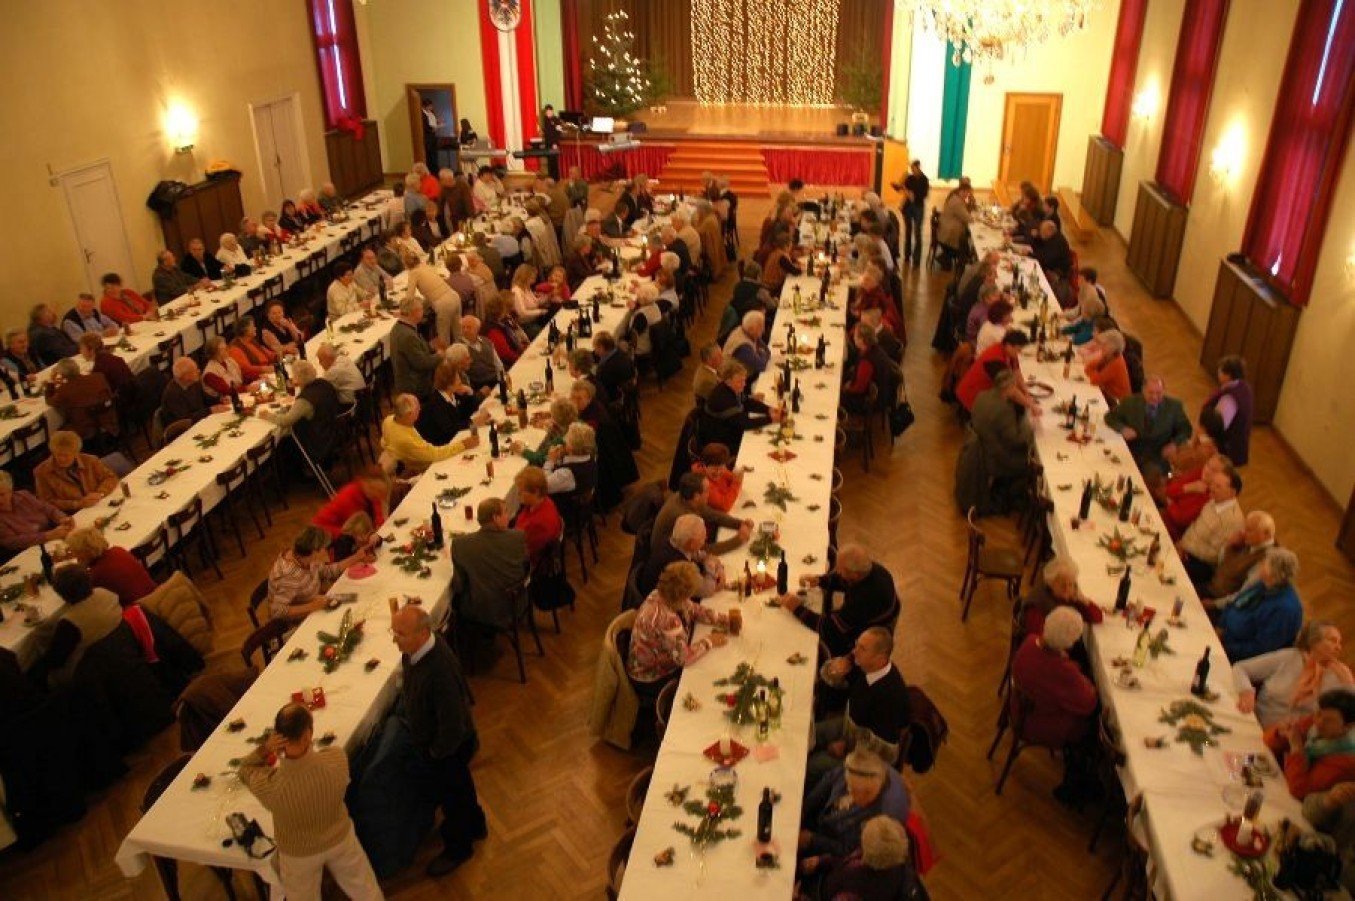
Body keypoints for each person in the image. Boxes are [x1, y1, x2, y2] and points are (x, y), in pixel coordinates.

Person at [237, 703, 383, 901]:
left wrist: (266, 749)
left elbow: (245, 768)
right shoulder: (336, 760)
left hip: (298, 855)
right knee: (366, 891)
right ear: (308, 734)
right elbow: (326, 755)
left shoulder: (271, 787)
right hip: (340, 838)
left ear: (278, 738)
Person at [391, 604, 486, 876]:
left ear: (422, 634)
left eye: (401, 633)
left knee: (453, 798)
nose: (394, 638)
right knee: (462, 789)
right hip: (442, 742)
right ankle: (476, 824)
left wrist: (436, 753)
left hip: (448, 747)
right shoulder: (416, 652)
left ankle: (459, 848)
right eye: (394, 631)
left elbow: (452, 724)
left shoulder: (438, 669)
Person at [1011, 606, 1100, 805]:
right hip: (1038, 724)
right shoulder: (1062, 671)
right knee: (1095, 725)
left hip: (1018, 708)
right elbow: (1089, 704)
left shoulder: (1029, 641)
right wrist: (1084, 680)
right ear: (1068, 642)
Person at [810, 627, 911, 783]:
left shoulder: (890, 697)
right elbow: (827, 676)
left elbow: (883, 753)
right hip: (849, 727)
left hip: (863, 760)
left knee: (811, 766)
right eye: (857, 644)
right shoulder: (864, 664)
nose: (854, 651)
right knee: (806, 732)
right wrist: (836, 671)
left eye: (862, 648)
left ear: (880, 658)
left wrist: (847, 750)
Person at [776, 544, 900, 658]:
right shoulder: (870, 570)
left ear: (855, 574)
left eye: (840, 569)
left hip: (864, 636)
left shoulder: (864, 599)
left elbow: (829, 630)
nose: (837, 571)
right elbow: (843, 579)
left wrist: (797, 609)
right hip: (863, 619)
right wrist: (820, 580)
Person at [626, 561, 728, 690]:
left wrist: (721, 619)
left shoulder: (661, 594)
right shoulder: (666, 619)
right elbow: (684, 658)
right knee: (705, 678)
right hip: (649, 676)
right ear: (683, 594)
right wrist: (710, 641)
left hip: (657, 658)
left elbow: (693, 609)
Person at [1234, 621, 1353, 728]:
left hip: (1288, 741)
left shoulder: (1337, 675)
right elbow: (1240, 668)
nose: (1339, 647)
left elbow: (1350, 714)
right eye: (1333, 640)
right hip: (1254, 722)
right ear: (1313, 641)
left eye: (1339, 643)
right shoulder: (1288, 657)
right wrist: (1246, 691)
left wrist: (1349, 684)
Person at [801, 749, 910, 859]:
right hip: (822, 819)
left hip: (830, 847)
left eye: (852, 790)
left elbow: (849, 851)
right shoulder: (860, 768)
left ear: (868, 793)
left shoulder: (877, 822)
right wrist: (804, 808)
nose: (847, 791)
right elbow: (829, 779)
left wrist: (812, 840)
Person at [32, 565, 124, 685]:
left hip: (85, 672)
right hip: (119, 651)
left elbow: (55, 660)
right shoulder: (106, 594)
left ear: (61, 594)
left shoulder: (70, 623)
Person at [808, 815, 928, 901]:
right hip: (827, 878)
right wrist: (821, 861)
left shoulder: (857, 891)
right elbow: (846, 859)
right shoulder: (893, 861)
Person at [450, 497, 529, 629]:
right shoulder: (518, 537)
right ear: (495, 518)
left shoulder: (460, 545)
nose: (508, 516)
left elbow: (458, 586)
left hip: (482, 610)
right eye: (505, 512)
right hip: (515, 604)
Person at [1218, 548, 1305, 662]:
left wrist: (1227, 648)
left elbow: (1262, 648)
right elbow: (1235, 603)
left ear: (1274, 572)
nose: (1260, 564)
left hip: (1239, 656)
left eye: (1265, 562)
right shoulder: (1263, 584)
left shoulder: (1285, 610)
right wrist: (1220, 627)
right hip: (1224, 637)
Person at [1265, 690, 1355, 800]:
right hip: (1282, 784)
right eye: (1318, 714)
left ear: (1348, 727)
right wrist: (1280, 732)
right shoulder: (1314, 724)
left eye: (1329, 721)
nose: (1319, 722)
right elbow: (1268, 740)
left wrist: (1296, 748)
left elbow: (1300, 790)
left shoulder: (1346, 760)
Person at [267, 526, 371, 621]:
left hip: (317, 603)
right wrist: (312, 606)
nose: (326, 551)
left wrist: (356, 557)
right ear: (314, 551)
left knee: (359, 600)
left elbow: (329, 571)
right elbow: (276, 611)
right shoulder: (288, 576)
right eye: (324, 548)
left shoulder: (307, 559)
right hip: (301, 620)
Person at [258, 361, 341, 466]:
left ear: (297, 378)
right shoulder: (324, 383)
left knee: (284, 443)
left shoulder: (305, 400)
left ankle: (297, 476)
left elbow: (285, 421)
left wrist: (267, 415)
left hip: (318, 442)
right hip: (332, 433)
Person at [1104, 375, 1192, 473]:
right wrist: (1122, 428)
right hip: (1131, 450)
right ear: (1143, 391)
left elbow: (1186, 429)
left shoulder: (1174, 407)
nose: (1154, 397)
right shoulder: (1130, 402)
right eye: (1151, 393)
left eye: (1158, 393)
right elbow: (1110, 417)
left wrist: (1175, 444)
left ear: (1164, 391)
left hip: (1159, 455)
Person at [652, 472, 752, 555]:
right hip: (672, 560)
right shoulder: (684, 519)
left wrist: (740, 524)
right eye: (707, 491)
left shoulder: (685, 497)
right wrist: (737, 540)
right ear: (696, 496)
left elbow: (713, 515)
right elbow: (701, 551)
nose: (709, 494)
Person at [1178, 466, 1246, 588]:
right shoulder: (1213, 501)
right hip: (1187, 551)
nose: (1212, 488)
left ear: (1232, 492)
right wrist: (1182, 544)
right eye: (1213, 484)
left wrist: (1185, 552)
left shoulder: (1232, 520)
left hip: (1200, 565)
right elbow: (1195, 527)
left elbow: (1214, 555)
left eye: (1218, 486)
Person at [969, 369, 1035, 494]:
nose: (1016, 390)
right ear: (1009, 388)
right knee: (1033, 459)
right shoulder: (1004, 409)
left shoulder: (982, 395)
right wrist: (1030, 426)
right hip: (998, 458)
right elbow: (1018, 441)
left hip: (981, 449)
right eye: (1014, 387)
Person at [381, 393, 479, 473]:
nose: (420, 410)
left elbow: (384, 442)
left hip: (412, 458)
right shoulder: (405, 439)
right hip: (422, 468)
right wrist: (463, 445)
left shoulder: (388, 420)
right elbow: (435, 455)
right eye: (417, 409)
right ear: (409, 414)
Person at [700, 359, 780, 453]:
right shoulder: (724, 399)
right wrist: (770, 419)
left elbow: (747, 402)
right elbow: (744, 423)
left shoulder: (730, 388)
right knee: (760, 447)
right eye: (740, 381)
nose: (744, 384)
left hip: (729, 428)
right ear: (728, 381)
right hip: (720, 441)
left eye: (744, 380)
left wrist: (768, 409)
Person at [63, 527, 157, 606]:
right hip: (154, 595)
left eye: (76, 552)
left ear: (85, 552)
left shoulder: (96, 574)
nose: (75, 557)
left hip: (141, 610)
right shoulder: (118, 550)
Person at [1018, 557, 1104, 641]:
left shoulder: (1072, 596)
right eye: (1062, 585)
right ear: (1051, 583)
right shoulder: (1037, 604)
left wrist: (1084, 601)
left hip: (1064, 643)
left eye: (1070, 584)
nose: (1067, 588)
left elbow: (1097, 618)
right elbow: (1040, 640)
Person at [1202, 510, 1278, 603]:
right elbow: (1221, 564)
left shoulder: (1267, 558)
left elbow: (1244, 593)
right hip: (1211, 586)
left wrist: (1214, 604)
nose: (1243, 533)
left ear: (1266, 534)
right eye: (1245, 528)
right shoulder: (1249, 542)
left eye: (1249, 530)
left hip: (1219, 600)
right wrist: (1229, 545)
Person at [34, 430, 119, 513]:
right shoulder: (42, 472)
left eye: (66, 455)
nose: (62, 459)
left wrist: (99, 493)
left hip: (98, 505)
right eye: (58, 454)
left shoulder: (90, 461)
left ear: (76, 453)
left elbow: (110, 477)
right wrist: (77, 504)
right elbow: (46, 502)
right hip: (71, 514)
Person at [955, 330, 1033, 412]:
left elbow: (1016, 371)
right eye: (1018, 350)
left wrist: (1026, 391)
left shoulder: (1008, 351)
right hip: (973, 395)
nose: (1019, 353)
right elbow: (1010, 388)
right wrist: (1031, 405)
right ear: (1009, 345)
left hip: (987, 391)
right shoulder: (994, 359)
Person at [417, 355, 486, 446]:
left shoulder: (454, 394)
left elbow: (468, 411)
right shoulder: (436, 403)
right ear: (449, 384)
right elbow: (450, 430)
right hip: (440, 445)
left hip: (456, 438)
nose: (460, 381)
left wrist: (470, 392)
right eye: (457, 378)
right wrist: (472, 423)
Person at [45, 358, 117, 443]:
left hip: (86, 429)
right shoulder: (99, 376)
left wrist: (51, 382)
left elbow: (50, 401)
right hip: (109, 421)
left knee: (56, 434)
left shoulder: (65, 390)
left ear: (62, 375)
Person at [0, 470, 73, 552]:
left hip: (54, 538)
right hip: (28, 551)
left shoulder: (24, 495)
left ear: (11, 491)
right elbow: (12, 541)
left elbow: (49, 509)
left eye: (2, 494)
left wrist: (63, 519)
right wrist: (47, 536)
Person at [1202, 354, 1254, 466]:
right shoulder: (1243, 386)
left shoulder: (1229, 399)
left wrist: (1203, 439)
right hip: (1240, 443)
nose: (1218, 373)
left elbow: (1218, 426)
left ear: (1228, 375)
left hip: (1228, 449)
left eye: (1220, 371)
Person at [312, 468, 391, 541]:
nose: (378, 496)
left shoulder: (370, 494)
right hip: (343, 543)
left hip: (362, 537)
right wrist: (347, 534)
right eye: (374, 489)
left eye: (380, 493)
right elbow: (317, 526)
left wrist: (379, 526)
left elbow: (377, 506)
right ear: (364, 482)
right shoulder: (346, 497)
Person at [390, 295, 443, 398]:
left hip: (409, 381)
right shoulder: (408, 335)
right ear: (414, 312)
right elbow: (422, 363)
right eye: (421, 309)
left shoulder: (401, 327)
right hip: (414, 386)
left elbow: (418, 349)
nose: (423, 312)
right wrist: (439, 355)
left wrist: (431, 348)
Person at [405, 253, 463, 344]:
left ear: (406, 265)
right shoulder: (426, 266)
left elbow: (409, 297)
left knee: (444, 338)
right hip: (454, 296)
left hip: (444, 303)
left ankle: (446, 357)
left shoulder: (413, 273)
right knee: (459, 334)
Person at [512, 466, 563, 566]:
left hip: (528, 563)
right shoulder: (544, 501)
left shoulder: (538, 524)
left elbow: (524, 553)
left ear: (536, 491)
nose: (518, 493)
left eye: (522, 491)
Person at [161, 358, 222, 426]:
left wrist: (219, 400)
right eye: (195, 370)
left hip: (201, 421)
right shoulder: (172, 394)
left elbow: (205, 398)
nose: (199, 371)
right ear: (186, 376)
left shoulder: (193, 383)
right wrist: (209, 411)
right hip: (185, 430)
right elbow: (185, 419)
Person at [891, 160, 929, 267]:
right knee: (908, 231)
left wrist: (913, 195)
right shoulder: (910, 178)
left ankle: (916, 259)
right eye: (911, 168)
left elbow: (924, 195)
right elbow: (899, 189)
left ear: (918, 167)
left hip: (918, 207)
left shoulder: (924, 180)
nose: (912, 170)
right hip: (908, 208)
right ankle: (907, 256)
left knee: (917, 233)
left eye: (914, 168)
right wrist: (899, 182)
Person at [1082, 329, 1132, 404]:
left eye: (1105, 344)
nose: (1101, 347)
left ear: (1113, 347)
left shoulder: (1117, 362)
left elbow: (1095, 380)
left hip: (1118, 402)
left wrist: (1095, 375)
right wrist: (1095, 375)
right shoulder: (1107, 356)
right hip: (1106, 395)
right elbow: (1088, 368)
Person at [201, 336, 256, 401]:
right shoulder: (209, 373)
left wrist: (259, 377)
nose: (228, 349)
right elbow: (228, 391)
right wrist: (247, 388)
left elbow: (243, 374)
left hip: (240, 395)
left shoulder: (229, 360)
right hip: (225, 403)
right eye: (224, 348)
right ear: (215, 352)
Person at [691, 442, 741, 512]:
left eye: (721, 468)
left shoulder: (719, 468)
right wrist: (736, 482)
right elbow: (724, 506)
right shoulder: (702, 482)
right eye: (715, 468)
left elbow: (732, 477)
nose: (718, 472)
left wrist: (735, 480)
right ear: (704, 465)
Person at [459, 315, 505, 391]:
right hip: (477, 386)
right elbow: (462, 375)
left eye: (469, 327)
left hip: (495, 380)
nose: (465, 330)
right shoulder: (459, 347)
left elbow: (498, 364)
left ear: (477, 329)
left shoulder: (487, 341)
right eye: (463, 327)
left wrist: (502, 381)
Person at [723, 310, 772, 381]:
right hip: (736, 381)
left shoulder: (747, 331)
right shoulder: (743, 346)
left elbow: (767, 351)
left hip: (744, 375)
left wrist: (761, 353)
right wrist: (762, 353)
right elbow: (761, 366)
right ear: (751, 329)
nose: (763, 331)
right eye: (761, 328)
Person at [315, 342, 364, 406]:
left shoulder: (333, 372)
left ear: (328, 358)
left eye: (321, 360)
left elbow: (320, 390)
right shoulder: (343, 358)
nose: (320, 363)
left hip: (352, 405)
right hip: (363, 395)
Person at [936, 182, 972, 269]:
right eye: (966, 192)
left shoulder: (955, 198)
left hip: (944, 232)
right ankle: (961, 260)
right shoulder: (957, 202)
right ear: (961, 191)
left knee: (965, 240)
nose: (967, 195)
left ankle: (946, 257)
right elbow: (967, 218)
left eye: (968, 193)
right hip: (948, 236)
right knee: (964, 243)